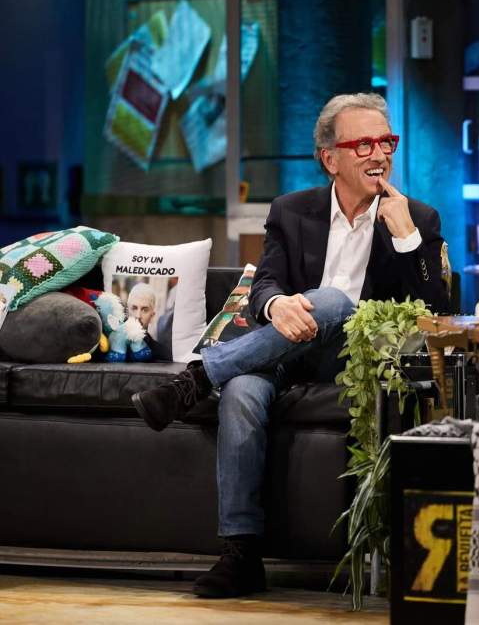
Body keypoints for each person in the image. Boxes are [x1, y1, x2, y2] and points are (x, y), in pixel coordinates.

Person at [131, 92, 450, 599]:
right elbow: (265, 284)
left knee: (330, 300)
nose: (379, 154)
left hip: (354, 358)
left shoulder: (417, 218)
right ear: (330, 159)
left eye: (386, 142)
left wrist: (408, 237)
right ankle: (241, 553)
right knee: (241, 393)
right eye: (363, 144)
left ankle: (197, 377)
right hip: (282, 349)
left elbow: (436, 312)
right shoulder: (291, 210)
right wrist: (276, 304)